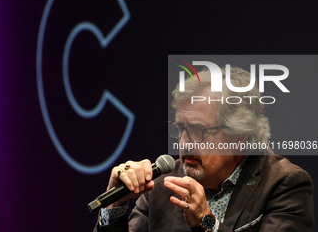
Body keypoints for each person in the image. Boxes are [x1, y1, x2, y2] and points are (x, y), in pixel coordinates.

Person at [93, 66, 314, 232]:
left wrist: (206, 221)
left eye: (199, 130)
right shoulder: (162, 184)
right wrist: (115, 206)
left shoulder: (284, 184)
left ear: (238, 135)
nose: (185, 142)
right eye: (180, 128)